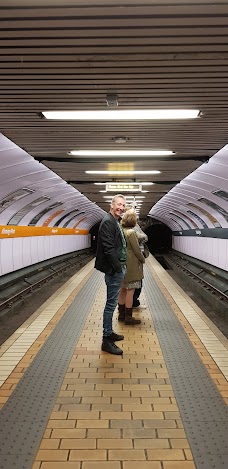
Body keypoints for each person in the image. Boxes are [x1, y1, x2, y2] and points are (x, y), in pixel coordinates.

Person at [95, 194, 127, 355]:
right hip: (114, 270)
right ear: (111, 205)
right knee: (110, 305)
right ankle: (106, 339)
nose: (121, 208)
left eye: (123, 205)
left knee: (112, 303)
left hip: (117, 268)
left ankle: (110, 333)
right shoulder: (108, 222)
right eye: (119, 204)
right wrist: (117, 268)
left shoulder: (114, 221)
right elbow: (108, 248)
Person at [117, 209, 145, 325]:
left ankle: (121, 314)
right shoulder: (131, 233)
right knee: (130, 290)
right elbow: (136, 250)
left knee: (122, 289)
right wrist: (142, 259)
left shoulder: (120, 231)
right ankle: (128, 317)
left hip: (120, 262)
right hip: (131, 264)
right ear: (133, 221)